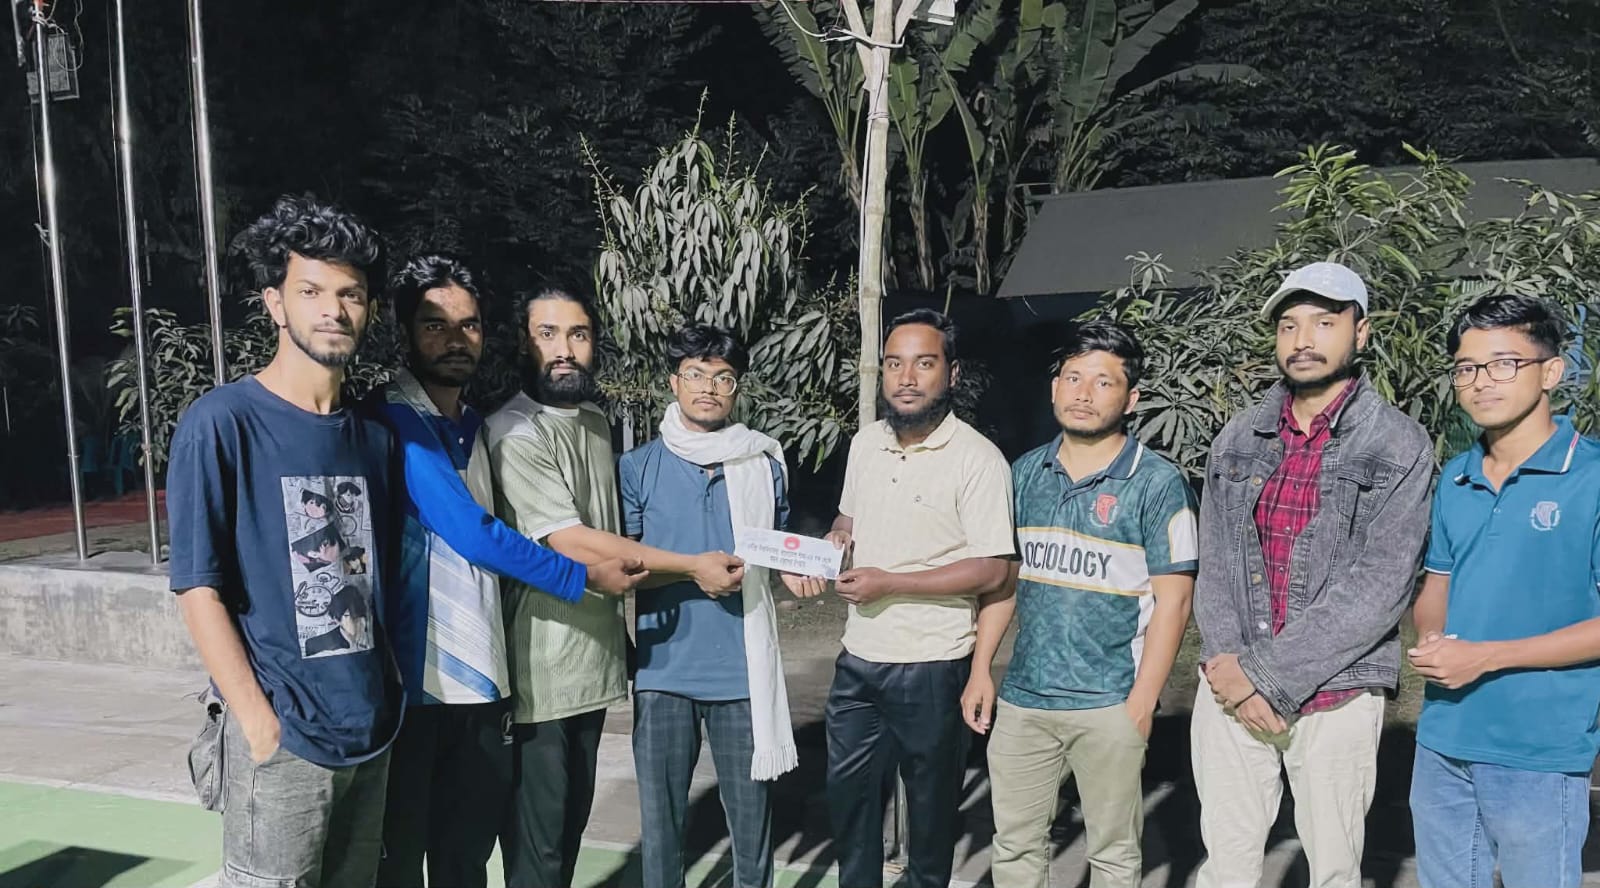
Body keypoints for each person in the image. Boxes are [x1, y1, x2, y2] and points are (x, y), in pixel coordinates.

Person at [369, 255, 645, 888]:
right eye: (435, 325)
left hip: (483, 682)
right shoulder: (396, 419)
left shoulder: (469, 424)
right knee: (401, 861)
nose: (454, 339)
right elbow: (474, 534)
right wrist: (582, 577)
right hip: (414, 687)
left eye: (467, 325)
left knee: (465, 859)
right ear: (405, 331)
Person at [168, 194, 403, 887]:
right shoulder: (223, 422)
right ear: (275, 303)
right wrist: (256, 722)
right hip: (283, 738)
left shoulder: (375, 437)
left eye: (350, 294)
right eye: (311, 291)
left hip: (369, 731)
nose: (333, 310)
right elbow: (197, 586)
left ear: (369, 309)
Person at [485, 287, 746, 888]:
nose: (565, 349)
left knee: (569, 831)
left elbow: (618, 537)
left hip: (594, 666)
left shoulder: (596, 422)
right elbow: (574, 542)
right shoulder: (514, 432)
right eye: (548, 334)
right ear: (524, 343)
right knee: (539, 846)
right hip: (540, 675)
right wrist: (693, 564)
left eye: (578, 334)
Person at [1190, 261, 1433, 888]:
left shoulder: (1398, 444)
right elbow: (1215, 564)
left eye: (1324, 323)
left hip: (1337, 693)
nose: (1303, 340)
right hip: (1229, 684)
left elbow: (1380, 586)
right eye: (1289, 325)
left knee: (1333, 872)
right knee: (1226, 867)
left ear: (1361, 332)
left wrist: (1265, 677)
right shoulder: (1239, 437)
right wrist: (1231, 670)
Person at [962, 321, 1197, 888]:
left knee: (1113, 855)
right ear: (1054, 388)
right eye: (1073, 378)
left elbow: (1175, 601)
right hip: (1024, 701)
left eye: (1103, 382)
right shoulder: (1024, 473)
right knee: (1014, 846)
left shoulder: (1157, 483)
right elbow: (1004, 582)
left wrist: (1141, 702)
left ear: (1131, 398)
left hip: (1109, 702)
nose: (1084, 393)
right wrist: (981, 669)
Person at [803, 308, 1014, 888]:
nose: (907, 378)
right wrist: (835, 542)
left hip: (933, 665)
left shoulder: (978, 459)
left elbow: (993, 568)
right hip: (859, 658)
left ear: (951, 372)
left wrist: (892, 582)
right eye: (894, 364)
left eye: (924, 363)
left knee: (930, 816)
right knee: (850, 807)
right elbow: (847, 519)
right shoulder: (866, 443)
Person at [1409, 295, 1600, 888]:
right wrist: (1433, 639)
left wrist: (1487, 657)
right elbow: (1438, 583)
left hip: (1539, 745)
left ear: (1551, 371)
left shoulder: (1591, 477)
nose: (1480, 381)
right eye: (1466, 368)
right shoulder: (1456, 476)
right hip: (1444, 738)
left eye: (1503, 363)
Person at [620, 323, 799, 888]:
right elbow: (625, 569)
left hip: (743, 676)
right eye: (696, 374)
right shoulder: (637, 466)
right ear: (674, 382)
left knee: (752, 832)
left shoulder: (763, 465)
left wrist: (802, 570)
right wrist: (693, 568)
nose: (709, 388)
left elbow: (777, 551)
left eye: (723, 378)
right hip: (663, 674)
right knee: (661, 831)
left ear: (736, 388)